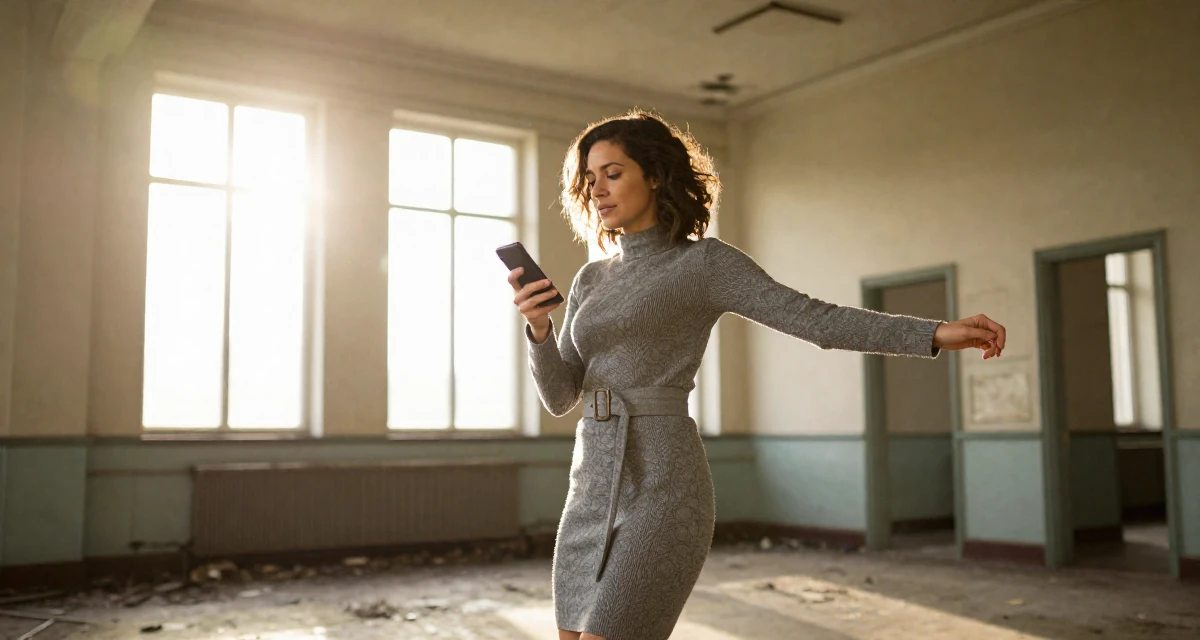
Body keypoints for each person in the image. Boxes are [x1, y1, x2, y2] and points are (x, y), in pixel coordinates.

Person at [505, 109, 1006, 640]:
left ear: (654, 174)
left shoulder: (704, 264)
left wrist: (934, 333)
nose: (598, 189)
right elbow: (561, 397)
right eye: (589, 178)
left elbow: (815, 319)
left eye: (613, 172)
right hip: (590, 485)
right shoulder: (589, 279)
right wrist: (539, 330)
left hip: (664, 486)